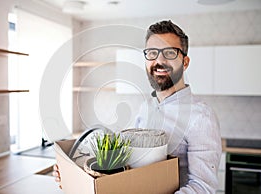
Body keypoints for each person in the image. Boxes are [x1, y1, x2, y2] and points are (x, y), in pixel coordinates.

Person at [53, 20, 222, 193]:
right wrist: (73, 173)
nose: (159, 61)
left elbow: (203, 187)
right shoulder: (146, 107)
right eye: (152, 53)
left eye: (170, 53)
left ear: (185, 62)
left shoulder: (201, 117)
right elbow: (129, 162)